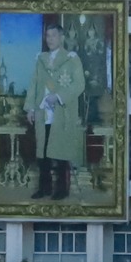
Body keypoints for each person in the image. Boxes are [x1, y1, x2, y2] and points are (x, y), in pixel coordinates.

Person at [25, 19, 88, 199]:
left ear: (61, 37)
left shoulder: (72, 59)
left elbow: (79, 85)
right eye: (47, 35)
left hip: (62, 112)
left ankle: (62, 190)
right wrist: (30, 108)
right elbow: (33, 84)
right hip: (43, 111)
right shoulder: (40, 59)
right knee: (42, 152)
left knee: (61, 153)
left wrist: (58, 96)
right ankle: (44, 188)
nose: (50, 39)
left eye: (53, 35)